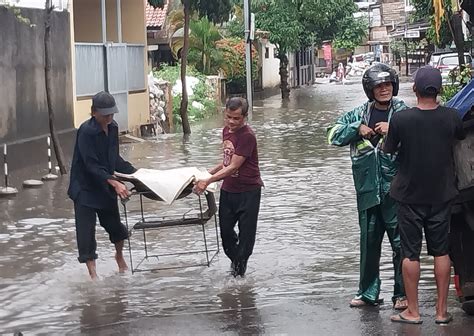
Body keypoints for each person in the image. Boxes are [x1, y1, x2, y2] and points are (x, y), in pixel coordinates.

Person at [384, 66, 465, 324]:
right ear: (439, 90)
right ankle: (441, 312)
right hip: (442, 195)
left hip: (409, 196)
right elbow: (460, 137)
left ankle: (413, 311)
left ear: (414, 90)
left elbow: (389, 150)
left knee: (410, 253)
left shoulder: (401, 119)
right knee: (441, 251)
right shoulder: (451, 117)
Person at [327, 63, 408, 309]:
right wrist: (355, 129)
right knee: (369, 243)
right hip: (367, 191)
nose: (383, 90)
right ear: (369, 90)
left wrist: (393, 129)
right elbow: (332, 135)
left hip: (396, 192)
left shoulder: (403, 113)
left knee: (401, 244)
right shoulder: (359, 114)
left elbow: (419, 135)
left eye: (387, 85)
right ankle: (368, 293)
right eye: (378, 86)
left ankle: (402, 294)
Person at [68, 91, 136, 280]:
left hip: (105, 187)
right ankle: (93, 275)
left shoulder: (113, 127)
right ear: (93, 112)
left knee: (115, 226)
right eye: (105, 114)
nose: (109, 118)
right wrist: (114, 182)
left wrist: (137, 175)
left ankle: (119, 256)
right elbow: (91, 165)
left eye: (111, 114)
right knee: (86, 234)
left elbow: (114, 159)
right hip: (85, 189)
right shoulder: (86, 131)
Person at [194, 97, 264, 277]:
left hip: (248, 191)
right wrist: (207, 173)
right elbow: (226, 161)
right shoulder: (226, 131)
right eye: (228, 117)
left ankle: (238, 278)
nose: (231, 122)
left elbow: (234, 166)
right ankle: (237, 265)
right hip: (229, 190)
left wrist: (208, 181)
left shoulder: (247, 136)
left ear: (245, 117)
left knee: (246, 238)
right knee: (225, 234)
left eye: (236, 119)